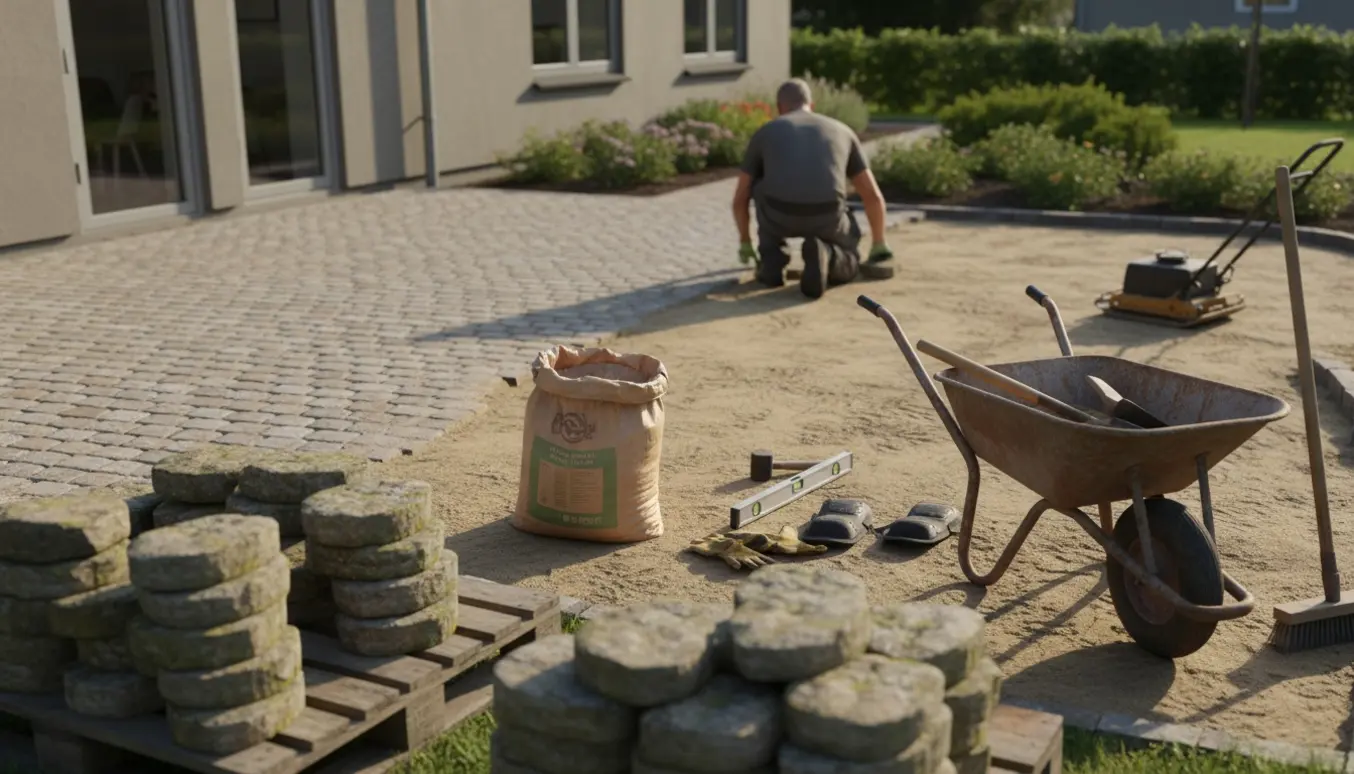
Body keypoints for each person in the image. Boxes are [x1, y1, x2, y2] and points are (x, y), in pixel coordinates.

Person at [731, 78, 894, 299]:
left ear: (779, 108)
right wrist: (878, 243)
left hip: (779, 217)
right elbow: (872, 195)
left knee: (760, 189)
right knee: (850, 250)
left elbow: (740, 197)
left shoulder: (765, 133)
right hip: (827, 216)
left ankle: (771, 261)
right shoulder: (842, 131)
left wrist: (745, 243)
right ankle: (830, 256)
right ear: (811, 105)